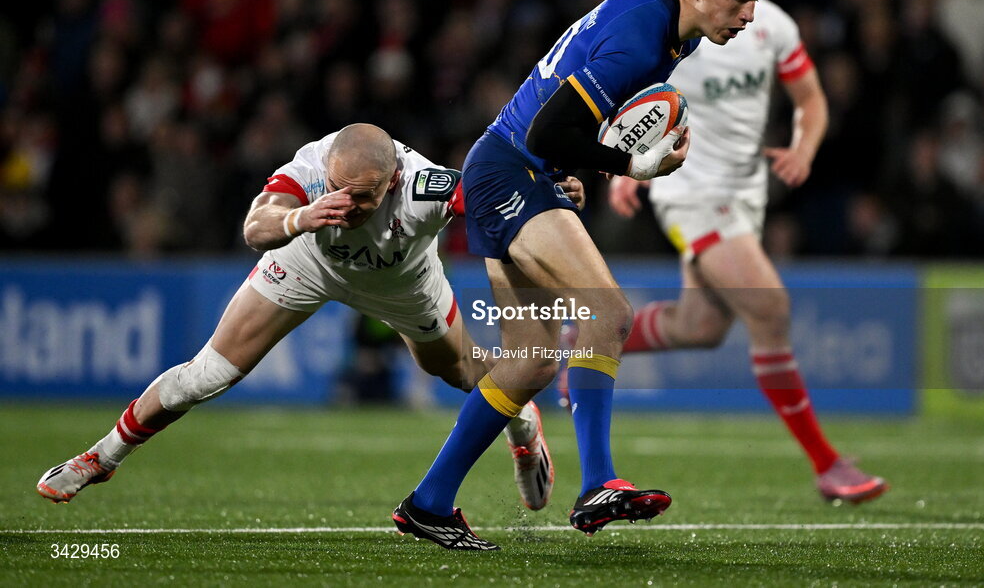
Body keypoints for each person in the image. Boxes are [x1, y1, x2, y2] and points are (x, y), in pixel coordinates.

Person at [391, 0, 768, 551]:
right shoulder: (647, 36)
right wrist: (630, 166)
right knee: (609, 311)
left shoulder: (658, 14)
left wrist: (572, 165)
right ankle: (597, 482)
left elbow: (561, 109)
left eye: (757, 0)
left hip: (505, 164)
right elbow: (550, 127)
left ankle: (429, 502)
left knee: (532, 359)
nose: (750, 14)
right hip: (512, 169)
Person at [37, 124, 584, 513]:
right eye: (339, 188)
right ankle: (101, 457)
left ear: (393, 182)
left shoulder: (424, 186)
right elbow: (256, 227)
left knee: (464, 375)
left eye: (363, 197)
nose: (347, 204)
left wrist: (549, 197)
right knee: (207, 376)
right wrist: (302, 216)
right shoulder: (311, 170)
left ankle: (524, 426)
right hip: (307, 263)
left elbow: (496, 197)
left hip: (402, 283)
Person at [593, 0, 887, 504]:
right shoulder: (672, 35)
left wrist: (804, 145)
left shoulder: (769, 24)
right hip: (691, 192)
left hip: (745, 193)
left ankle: (592, 340)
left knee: (699, 328)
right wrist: (624, 171)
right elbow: (622, 102)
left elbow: (810, 99)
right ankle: (828, 464)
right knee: (770, 307)